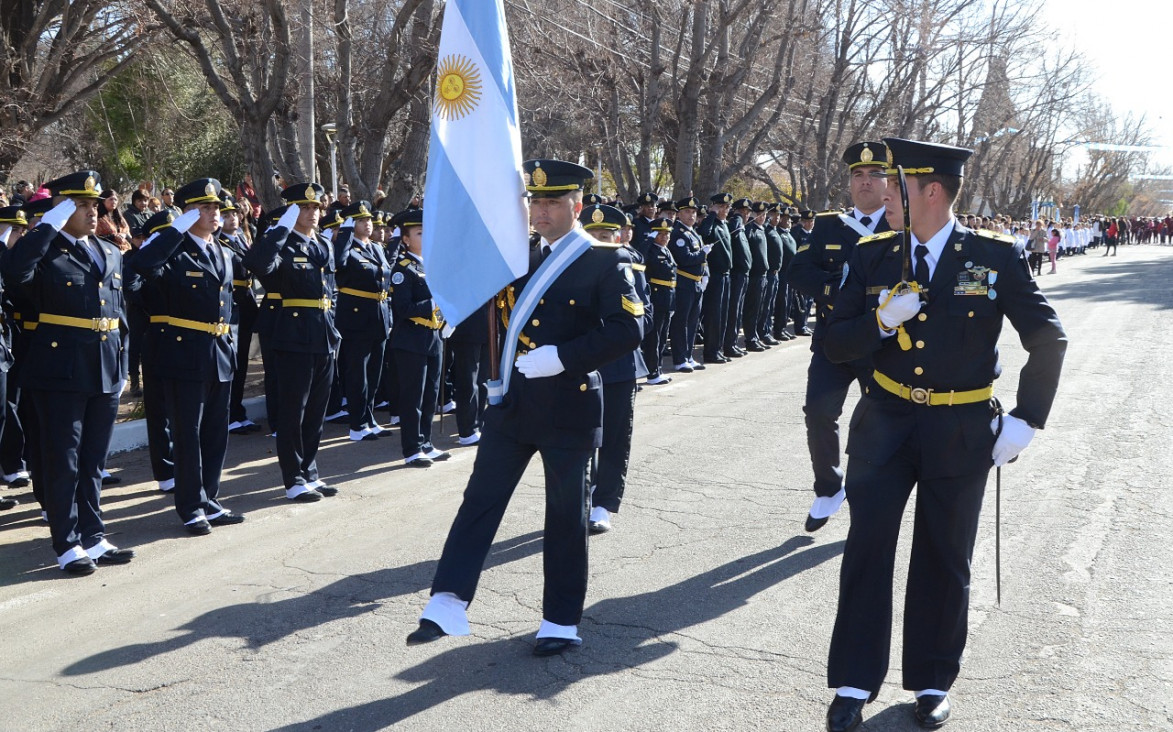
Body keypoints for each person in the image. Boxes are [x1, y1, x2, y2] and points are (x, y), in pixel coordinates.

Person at [821, 138, 1066, 732]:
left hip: (959, 426)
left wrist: (1027, 419)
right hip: (884, 423)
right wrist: (879, 322)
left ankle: (932, 680)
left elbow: (1047, 337)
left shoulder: (994, 256)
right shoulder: (873, 254)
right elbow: (832, 342)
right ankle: (853, 682)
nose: (883, 193)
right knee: (867, 550)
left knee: (945, 556)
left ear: (931, 191)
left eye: (896, 185)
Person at [406, 159, 643, 656]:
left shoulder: (606, 261)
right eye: (535, 202)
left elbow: (628, 330)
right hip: (513, 403)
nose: (541, 211)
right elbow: (497, 312)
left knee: (564, 515)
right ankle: (448, 601)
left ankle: (560, 620)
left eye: (553, 202)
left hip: (567, 406)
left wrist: (565, 358)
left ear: (577, 207)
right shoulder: (517, 256)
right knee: (480, 501)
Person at [3, 171, 135, 574]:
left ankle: (94, 537)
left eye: (95, 204)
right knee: (65, 461)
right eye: (81, 204)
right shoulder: (42, 250)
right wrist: (47, 226)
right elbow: (13, 274)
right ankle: (67, 543)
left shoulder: (108, 251)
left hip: (105, 368)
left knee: (93, 461)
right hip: (60, 371)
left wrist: (123, 365)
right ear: (62, 208)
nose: (93, 212)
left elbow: (119, 314)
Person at [128, 178, 245, 535]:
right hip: (183, 353)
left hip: (219, 353)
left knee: (214, 433)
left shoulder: (223, 251)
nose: (214, 214)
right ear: (188, 213)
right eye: (205, 208)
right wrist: (174, 229)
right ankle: (191, 506)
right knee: (188, 433)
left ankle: (210, 498)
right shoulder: (173, 251)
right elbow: (141, 265)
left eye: (216, 208)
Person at [789, 141, 891, 532]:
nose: (865, 183)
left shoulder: (901, 223)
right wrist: (834, 288)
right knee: (818, 412)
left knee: (878, 423)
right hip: (833, 340)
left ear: (888, 183)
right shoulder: (830, 225)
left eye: (874, 175)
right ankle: (829, 487)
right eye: (857, 176)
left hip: (881, 344)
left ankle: (871, 495)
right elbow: (797, 271)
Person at [242, 183, 341, 502]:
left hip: (324, 333)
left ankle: (310, 472)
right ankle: (293, 477)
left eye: (315, 208)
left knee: (315, 411)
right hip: (294, 334)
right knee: (293, 412)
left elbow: (330, 288)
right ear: (291, 211)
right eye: (304, 208)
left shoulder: (323, 243)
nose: (312, 214)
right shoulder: (281, 242)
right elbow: (257, 264)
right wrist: (281, 228)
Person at [580, 203, 651, 534]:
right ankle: (576, 498)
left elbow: (646, 315)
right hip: (577, 364)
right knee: (577, 437)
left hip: (619, 364)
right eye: (592, 234)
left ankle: (603, 502)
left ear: (619, 237)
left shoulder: (631, 265)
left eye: (606, 235)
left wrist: (615, 331)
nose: (599, 240)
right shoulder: (567, 268)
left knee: (614, 438)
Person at [333, 200, 392, 442]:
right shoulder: (346, 248)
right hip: (356, 317)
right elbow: (338, 264)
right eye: (360, 220)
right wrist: (345, 233)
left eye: (368, 219)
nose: (368, 224)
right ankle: (357, 423)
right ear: (350, 224)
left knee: (374, 371)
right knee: (358, 372)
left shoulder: (376, 248)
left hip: (378, 315)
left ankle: (369, 418)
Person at [217, 194, 261, 434]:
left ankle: (237, 411)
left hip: (245, 303)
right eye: (225, 214)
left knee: (242, 362)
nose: (231, 218)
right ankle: (229, 414)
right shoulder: (219, 242)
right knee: (232, 363)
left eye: (234, 213)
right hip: (231, 305)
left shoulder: (242, 239)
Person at [668, 196, 709, 372]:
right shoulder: (678, 234)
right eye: (687, 212)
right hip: (684, 283)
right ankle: (680, 359)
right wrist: (703, 254)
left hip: (696, 283)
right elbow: (684, 259)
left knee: (692, 322)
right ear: (679, 214)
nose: (691, 215)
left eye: (693, 212)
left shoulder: (693, 233)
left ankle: (688, 356)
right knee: (681, 323)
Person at [698, 193, 734, 363]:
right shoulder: (710, 223)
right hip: (715, 275)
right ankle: (710, 351)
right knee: (714, 315)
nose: (725, 210)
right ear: (714, 207)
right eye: (721, 207)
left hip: (726, 275)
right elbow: (703, 234)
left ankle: (718, 349)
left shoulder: (724, 225)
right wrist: (711, 214)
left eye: (727, 207)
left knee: (723, 315)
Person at [642, 216, 677, 384]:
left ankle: (658, 368)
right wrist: (648, 242)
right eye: (660, 234)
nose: (664, 237)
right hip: (656, 296)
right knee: (653, 337)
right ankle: (652, 372)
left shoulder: (666, 250)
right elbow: (641, 259)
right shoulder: (650, 250)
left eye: (667, 234)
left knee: (663, 336)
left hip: (668, 296)